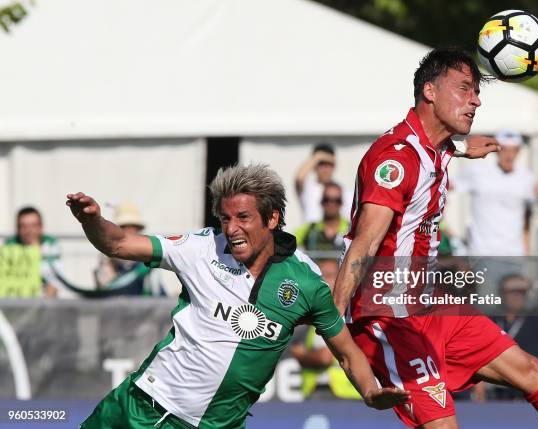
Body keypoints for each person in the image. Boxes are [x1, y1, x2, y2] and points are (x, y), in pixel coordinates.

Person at [333, 48, 538, 428]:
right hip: (388, 314)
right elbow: (363, 245)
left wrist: (459, 149)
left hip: (428, 301)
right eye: (465, 88)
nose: (476, 100)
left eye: (476, 92)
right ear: (429, 91)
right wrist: (332, 325)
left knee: (529, 370)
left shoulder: (436, 147)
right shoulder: (395, 159)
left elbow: (432, 151)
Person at [68, 164, 408, 429]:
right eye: (225, 218)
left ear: (272, 218)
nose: (231, 228)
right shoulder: (200, 248)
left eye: (243, 217)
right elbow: (118, 243)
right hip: (140, 406)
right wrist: (93, 221)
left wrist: (370, 391)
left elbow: (346, 352)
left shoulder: (306, 283)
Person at [453, 129, 535, 256]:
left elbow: (527, 216)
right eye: (504, 150)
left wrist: (526, 248)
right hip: (481, 253)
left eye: (514, 150)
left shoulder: (527, 178)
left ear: (518, 151)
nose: (509, 155)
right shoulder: (477, 171)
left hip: (514, 254)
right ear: (496, 150)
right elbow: (448, 186)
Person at [291, 258, 360, 401]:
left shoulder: (349, 315)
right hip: (316, 392)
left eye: (328, 275)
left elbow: (325, 357)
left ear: (341, 279)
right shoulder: (313, 315)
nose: (322, 281)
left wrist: (301, 355)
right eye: (319, 276)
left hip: (343, 395)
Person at [94, 202, 165, 296]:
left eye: (133, 227)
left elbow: (157, 292)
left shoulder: (148, 259)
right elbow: (105, 287)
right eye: (124, 227)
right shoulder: (107, 257)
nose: (130, 230)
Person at [3, 206, 62, 297]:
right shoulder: (9, 244)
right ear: (18, 229)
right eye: (24, 226)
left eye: (33, 225)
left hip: (43, 303)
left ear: (41, 227)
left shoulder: (50, 244)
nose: (29, 230)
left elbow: (56, 279)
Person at [294, 143, 351, 222]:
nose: (325, 169)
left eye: (329, 164)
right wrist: (319, 157)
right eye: (321, 164)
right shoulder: (308, 188)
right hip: (312, 233)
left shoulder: (343, 191)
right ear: (314, 165)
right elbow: (299, 177)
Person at [294, 182, 350, 253]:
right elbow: (286, 243)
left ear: (342, 203)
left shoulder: (351, 231)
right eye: (327, 199)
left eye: (336, 200)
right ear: (321, 202)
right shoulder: (310, 230)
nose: (331, 204)